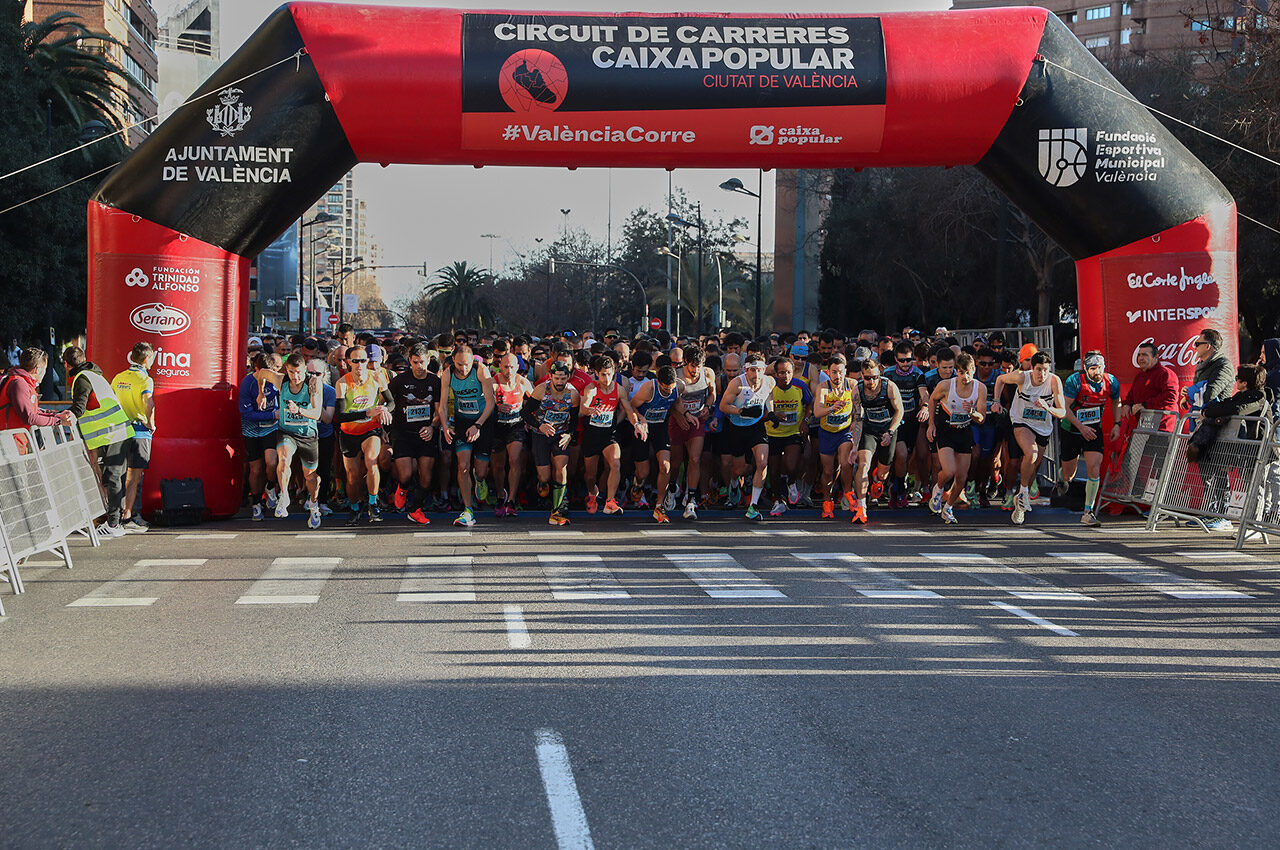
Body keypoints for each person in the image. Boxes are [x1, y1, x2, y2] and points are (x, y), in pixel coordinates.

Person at [64, 346, 134, 538]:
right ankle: (115, 522)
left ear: (66, 364)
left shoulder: (81, 379)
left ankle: (113, 524)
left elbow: (79, 406)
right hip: (116, 432)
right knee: (115, 479)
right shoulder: (93, 375)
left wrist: (62, 417)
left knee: (112, 478)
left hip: (111, 434)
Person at [992, 352, 1067, 525]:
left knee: (1033, 467)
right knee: (1031, 454)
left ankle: (1020, 503)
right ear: (1032, 368)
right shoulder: (1021, 377)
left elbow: (1062, 412)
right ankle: (1023, 492)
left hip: (1043, 426)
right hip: (1021, 421)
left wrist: (1048, 408)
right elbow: (1000, 379)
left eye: (1046, 370)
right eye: (1039, 369)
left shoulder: (1054, 382)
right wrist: (996, 401)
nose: (1042, 374)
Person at [1057, 351, 1121, 527]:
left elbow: (1117, 401)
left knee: (1094, 467)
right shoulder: (1075, 381)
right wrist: (1081, 427)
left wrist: (1117, 423)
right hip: (1072, 429)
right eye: (1093, 368)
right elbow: (1064, 408)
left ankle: (1088, 512)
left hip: (1093, 430)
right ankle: (1061, 479)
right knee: (1069, 474)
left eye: (1099, 367)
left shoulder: (1111, 381)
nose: (1097, 371)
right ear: (1086, 369)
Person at [579, 354, 646, 515]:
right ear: (596, 373)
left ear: (614, 372)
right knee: (590, 475)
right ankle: (592, 493)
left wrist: (636, 424)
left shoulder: (619, 389)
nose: (607, 378)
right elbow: (582, 409)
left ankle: (610, 501)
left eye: (610, 374)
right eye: (603, 374)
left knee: (615, 463)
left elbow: (629, 411)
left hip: (609, 434)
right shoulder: (592, 388)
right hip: (592, 435)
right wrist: (590, 410)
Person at [335, 345, 395, 525]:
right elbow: (340, 416)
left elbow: (391, 402)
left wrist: (384, 409)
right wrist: (367, 413)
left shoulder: (377, 378)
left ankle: (372, 503)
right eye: (356, 361)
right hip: (349, 431)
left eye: (363, 360)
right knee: (352, 475)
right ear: (348, 363)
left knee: (371, 460)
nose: (360, 365)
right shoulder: (342, 383)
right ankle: (354, 507)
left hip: (371, 429)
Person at [438, 342, 495, 527]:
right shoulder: (447, 374)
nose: (463, 368)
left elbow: (490, 402)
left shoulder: (481, 371)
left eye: (467, 364)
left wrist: (478, 425)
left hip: (483, 421)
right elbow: (443, 405)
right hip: (462, 422)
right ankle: (468, 509)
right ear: (453, 360)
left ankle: (480, 480)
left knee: (480, 470)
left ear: (473, 361)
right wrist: (445, 426)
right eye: (459, 364)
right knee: (463, 465)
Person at [926, 352, 986, 524]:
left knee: (961, 477)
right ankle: (938, 488)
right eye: (961, 372)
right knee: (949, 470)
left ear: (974, 370)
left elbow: (982, 419)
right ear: (956, 373)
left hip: (964, 431)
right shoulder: (946, 385)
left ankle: (948, 508)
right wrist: (931, 424)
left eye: (968, 372)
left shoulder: (980, 388)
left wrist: (972, 412)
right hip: (946, 430)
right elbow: (932, 400)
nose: (965, 377)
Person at [521, 361, 580, 525]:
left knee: (561, 468)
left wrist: (569, 434)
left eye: (563, 378)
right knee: (545, 476)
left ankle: (558, 508)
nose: (560, 382)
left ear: (568, 377)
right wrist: (540, 425)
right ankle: (542, 482)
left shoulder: (573, 394)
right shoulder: (541, 390)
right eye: (557, 378)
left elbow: (574, 419)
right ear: (551, 377)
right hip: (540, 434)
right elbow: (525, 413)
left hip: (561, 433)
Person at [387, 342, 440, 524]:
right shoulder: (400, 380)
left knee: (426, 477)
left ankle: (415, 509)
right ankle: (402, 488)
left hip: (426, 433)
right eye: (415, 362)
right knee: (406, 475)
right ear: (410, 361)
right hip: (402, 433)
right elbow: (386, 401)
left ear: (428, 361)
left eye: (422, 362)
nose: (419, 366)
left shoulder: (435, 381)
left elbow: (440, 411)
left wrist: (432, 427)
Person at [719, 352, 776, 520]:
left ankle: (753, 505)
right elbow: (723, 406)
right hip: (737, 427)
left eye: (759, 370)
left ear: (764, 370)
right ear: (745, 370)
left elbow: (769, 396)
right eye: (752, 370)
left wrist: (771, 412)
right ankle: (734, 485)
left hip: (756, 426)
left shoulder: (769, 381)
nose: (755, 374)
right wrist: (742, 411)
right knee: (739, 469)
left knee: (762, 462)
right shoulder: (737, 384)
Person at [272, 353, 324, 529]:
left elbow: (317, 414)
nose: (296, 377)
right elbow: (261, 373)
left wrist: (299, 411)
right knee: (284, 459)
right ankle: (284, 495)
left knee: (310, 477)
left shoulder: (313, 383)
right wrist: (259, 392)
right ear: (287, 370)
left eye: (299, 372)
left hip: (308, 435)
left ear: (304, 370)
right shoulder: (281, 381)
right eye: (292, 372)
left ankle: (314, 504)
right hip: (287, 432)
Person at [110, 343, 157, 533]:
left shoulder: (119, 377)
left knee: (120, 475)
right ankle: (127, 516)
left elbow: (111, 402)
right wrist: (150, 423)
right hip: (139, 432)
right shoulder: (145, 380)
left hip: (120, 431)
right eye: (152, 357)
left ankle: (118, 515)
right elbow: (148, 402)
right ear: (146, 359)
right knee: (134, 477)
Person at [852, 357, 904, 524]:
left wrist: (890, 432)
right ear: (862, 375)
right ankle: (861, 507)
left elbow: (899, 411)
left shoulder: (889, 386)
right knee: (863, 464)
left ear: (879, 373)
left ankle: (877, 479)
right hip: (869, 430)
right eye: (867, 377)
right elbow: (857, 420)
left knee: (882, 472)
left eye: (875, 377)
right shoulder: (857, 390)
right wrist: (854, 446)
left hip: (888, 429)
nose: (872, 381)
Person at [668, 346, 718, 519]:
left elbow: (713, 394)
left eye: (698, 366)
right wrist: (679, 414)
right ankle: (672, 486)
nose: (695, 370)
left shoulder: (708, 373)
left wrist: (708, 406)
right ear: (685, 364)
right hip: (678, 421)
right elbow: (671, 401)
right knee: (675, 462)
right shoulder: (676, 376)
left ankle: (691, 501)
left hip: (697, 420)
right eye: (692, 367)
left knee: (695, 459)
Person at [631, 364, 680, 523]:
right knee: (643, 472)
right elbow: (631, 405)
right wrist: (641, 418)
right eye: (666, 389)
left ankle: (659, 506)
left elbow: (675, 402)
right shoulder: (648, 389)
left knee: (666, 466)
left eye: (672, 388)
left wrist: (684, 414)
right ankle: (637, 485)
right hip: (643, 427)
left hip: (660, 427)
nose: (669, 392)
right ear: (659, 383)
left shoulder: (680, 386)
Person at [764, 355, 812, 515]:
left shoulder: (799, 386)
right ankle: (778, 500)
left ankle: (792, 482)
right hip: (772, 433)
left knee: (792, 465)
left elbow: (810, 403)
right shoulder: (769, 387)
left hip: (793, 432)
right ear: (776, 374)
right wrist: (772, 415)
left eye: (789, 372)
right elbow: (761, 411)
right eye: (782, 373)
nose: (786, 376)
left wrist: (805, 420)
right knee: (774, 471)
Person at [813, 353, 858, 519]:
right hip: (827, 433)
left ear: (845, 371)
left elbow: (859, 408)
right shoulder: (823, 387)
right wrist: (832, 408)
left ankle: (847, 492)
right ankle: (827, 501)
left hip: (845, 431)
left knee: (846, 463)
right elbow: (817, 412)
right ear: (828, 372)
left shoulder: (852, 385)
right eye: (834, 372)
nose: (837, 376)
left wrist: (855, 421)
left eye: (840, 372)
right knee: (827, 471)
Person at [491, 352, 532, 517]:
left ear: (517, 368)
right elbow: (484, 403)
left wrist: (530, 419)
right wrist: (497, 407)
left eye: (512, 367)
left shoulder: (522, 382)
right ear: (500, 366)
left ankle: (512, 500)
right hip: (497, 428)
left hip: (516, 426)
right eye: (505, 366)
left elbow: (536, 399)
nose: (508, 370)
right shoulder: (493, 383)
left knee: (515, 460)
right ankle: (501, 495)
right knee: (498, 466)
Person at [240, 351, 281, 521]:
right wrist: (272, 415)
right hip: (252, 430)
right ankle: (256, 503)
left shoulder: (276, 381)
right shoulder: (248, 383)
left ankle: (271, 486)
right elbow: (246, 413)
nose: (264, 377)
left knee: (272, 462)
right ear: (255, 369)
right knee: (256, 469)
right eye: (260, 373)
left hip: (270, 429)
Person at [1, 348, 73, 429]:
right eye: (44, 369)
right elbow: (29, 417)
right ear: (37, 369)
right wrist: (58, 420)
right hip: (12, 439)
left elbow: (35, 412)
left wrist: (57, 415)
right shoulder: (19, 383)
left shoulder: (23, 382)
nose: (44, 373)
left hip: (16, 438)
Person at [1193, 328, 1235, 406]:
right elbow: (1197, 391)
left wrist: (1189, 394)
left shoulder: (1224, 365)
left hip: (1217, 416)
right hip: (1202, 413)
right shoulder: (1201, 365)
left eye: (1197, 344)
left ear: (1207, 346)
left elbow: (1209, 394)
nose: (1195, 348)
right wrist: (1187, 393)